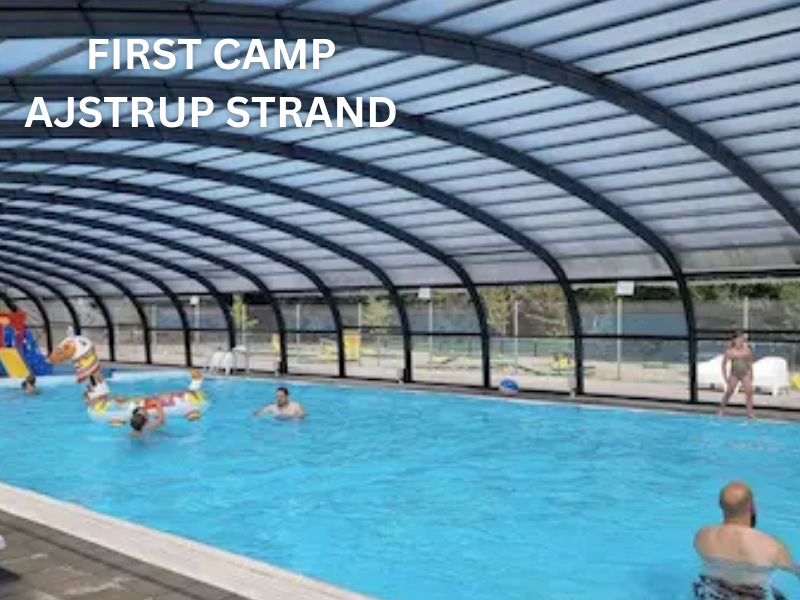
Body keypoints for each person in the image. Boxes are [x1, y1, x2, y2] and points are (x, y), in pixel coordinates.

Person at [694, 482, 799, 599]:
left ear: (720, 504)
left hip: (710, 591)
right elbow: (795, 572)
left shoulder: (703, 535)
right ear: (752, 506)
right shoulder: (772, 546)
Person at [720, 332, 755, 419]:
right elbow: (723, 364)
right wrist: (725, 377)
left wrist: (751, 375)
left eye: (741, 339)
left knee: (749, 392)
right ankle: (722, 409)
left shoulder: (747, 350)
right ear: (734, 341)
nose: (740, 341)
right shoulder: (730, 352)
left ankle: (750, 413)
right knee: (729, 392)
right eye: (738, 339)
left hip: (745, 373)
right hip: (734, 374)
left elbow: (750, 363)